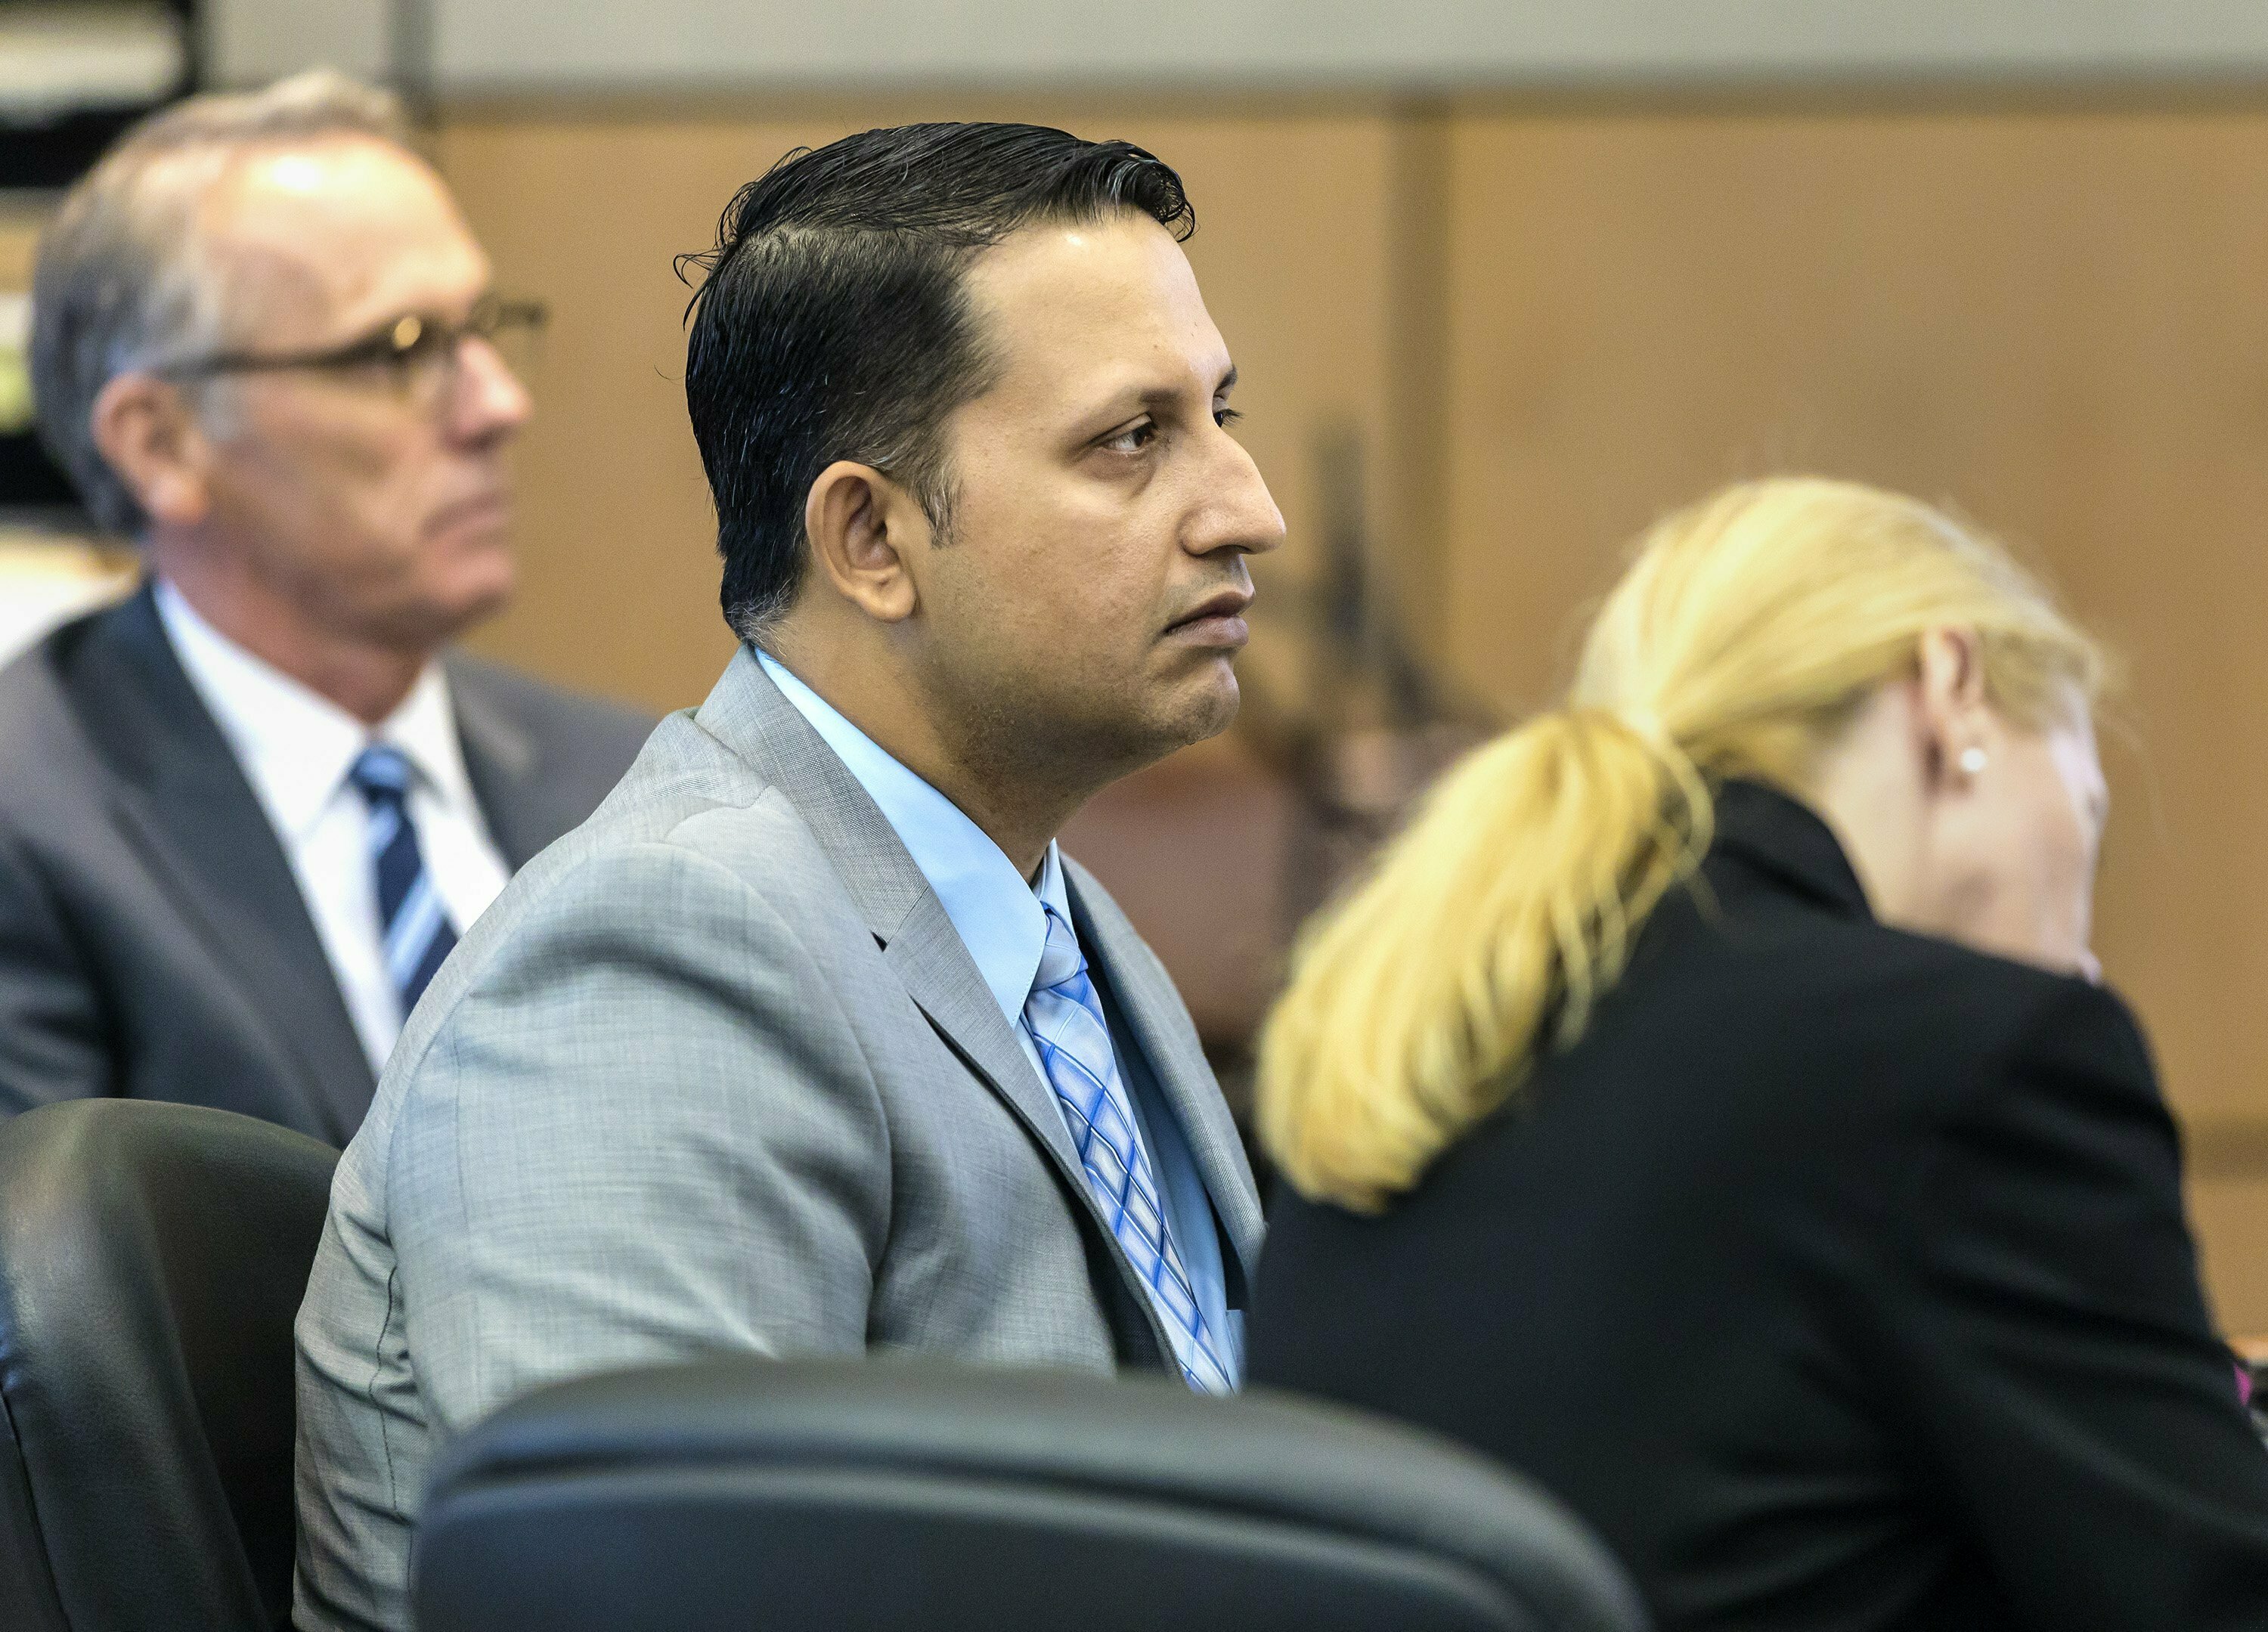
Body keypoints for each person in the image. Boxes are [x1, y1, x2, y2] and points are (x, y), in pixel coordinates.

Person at [293, 122, 1283, 1630]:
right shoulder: (656, 958)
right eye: (1134, 439)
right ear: (870, 537)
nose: (1247, 507)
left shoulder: (1060, 931)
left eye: (1218, 414)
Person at [1247, 476, 2268, 1631]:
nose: (2078, 946)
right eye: (2087, 815)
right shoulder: (1972, 1055)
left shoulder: (1407, 1047)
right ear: (1952, 689)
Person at [0, 72, 651, 1144]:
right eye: (398, 351)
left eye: (482, 329)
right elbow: (60, 1304)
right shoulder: (35, 822)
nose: (499, 404)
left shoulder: (629, 784)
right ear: (162, 444)